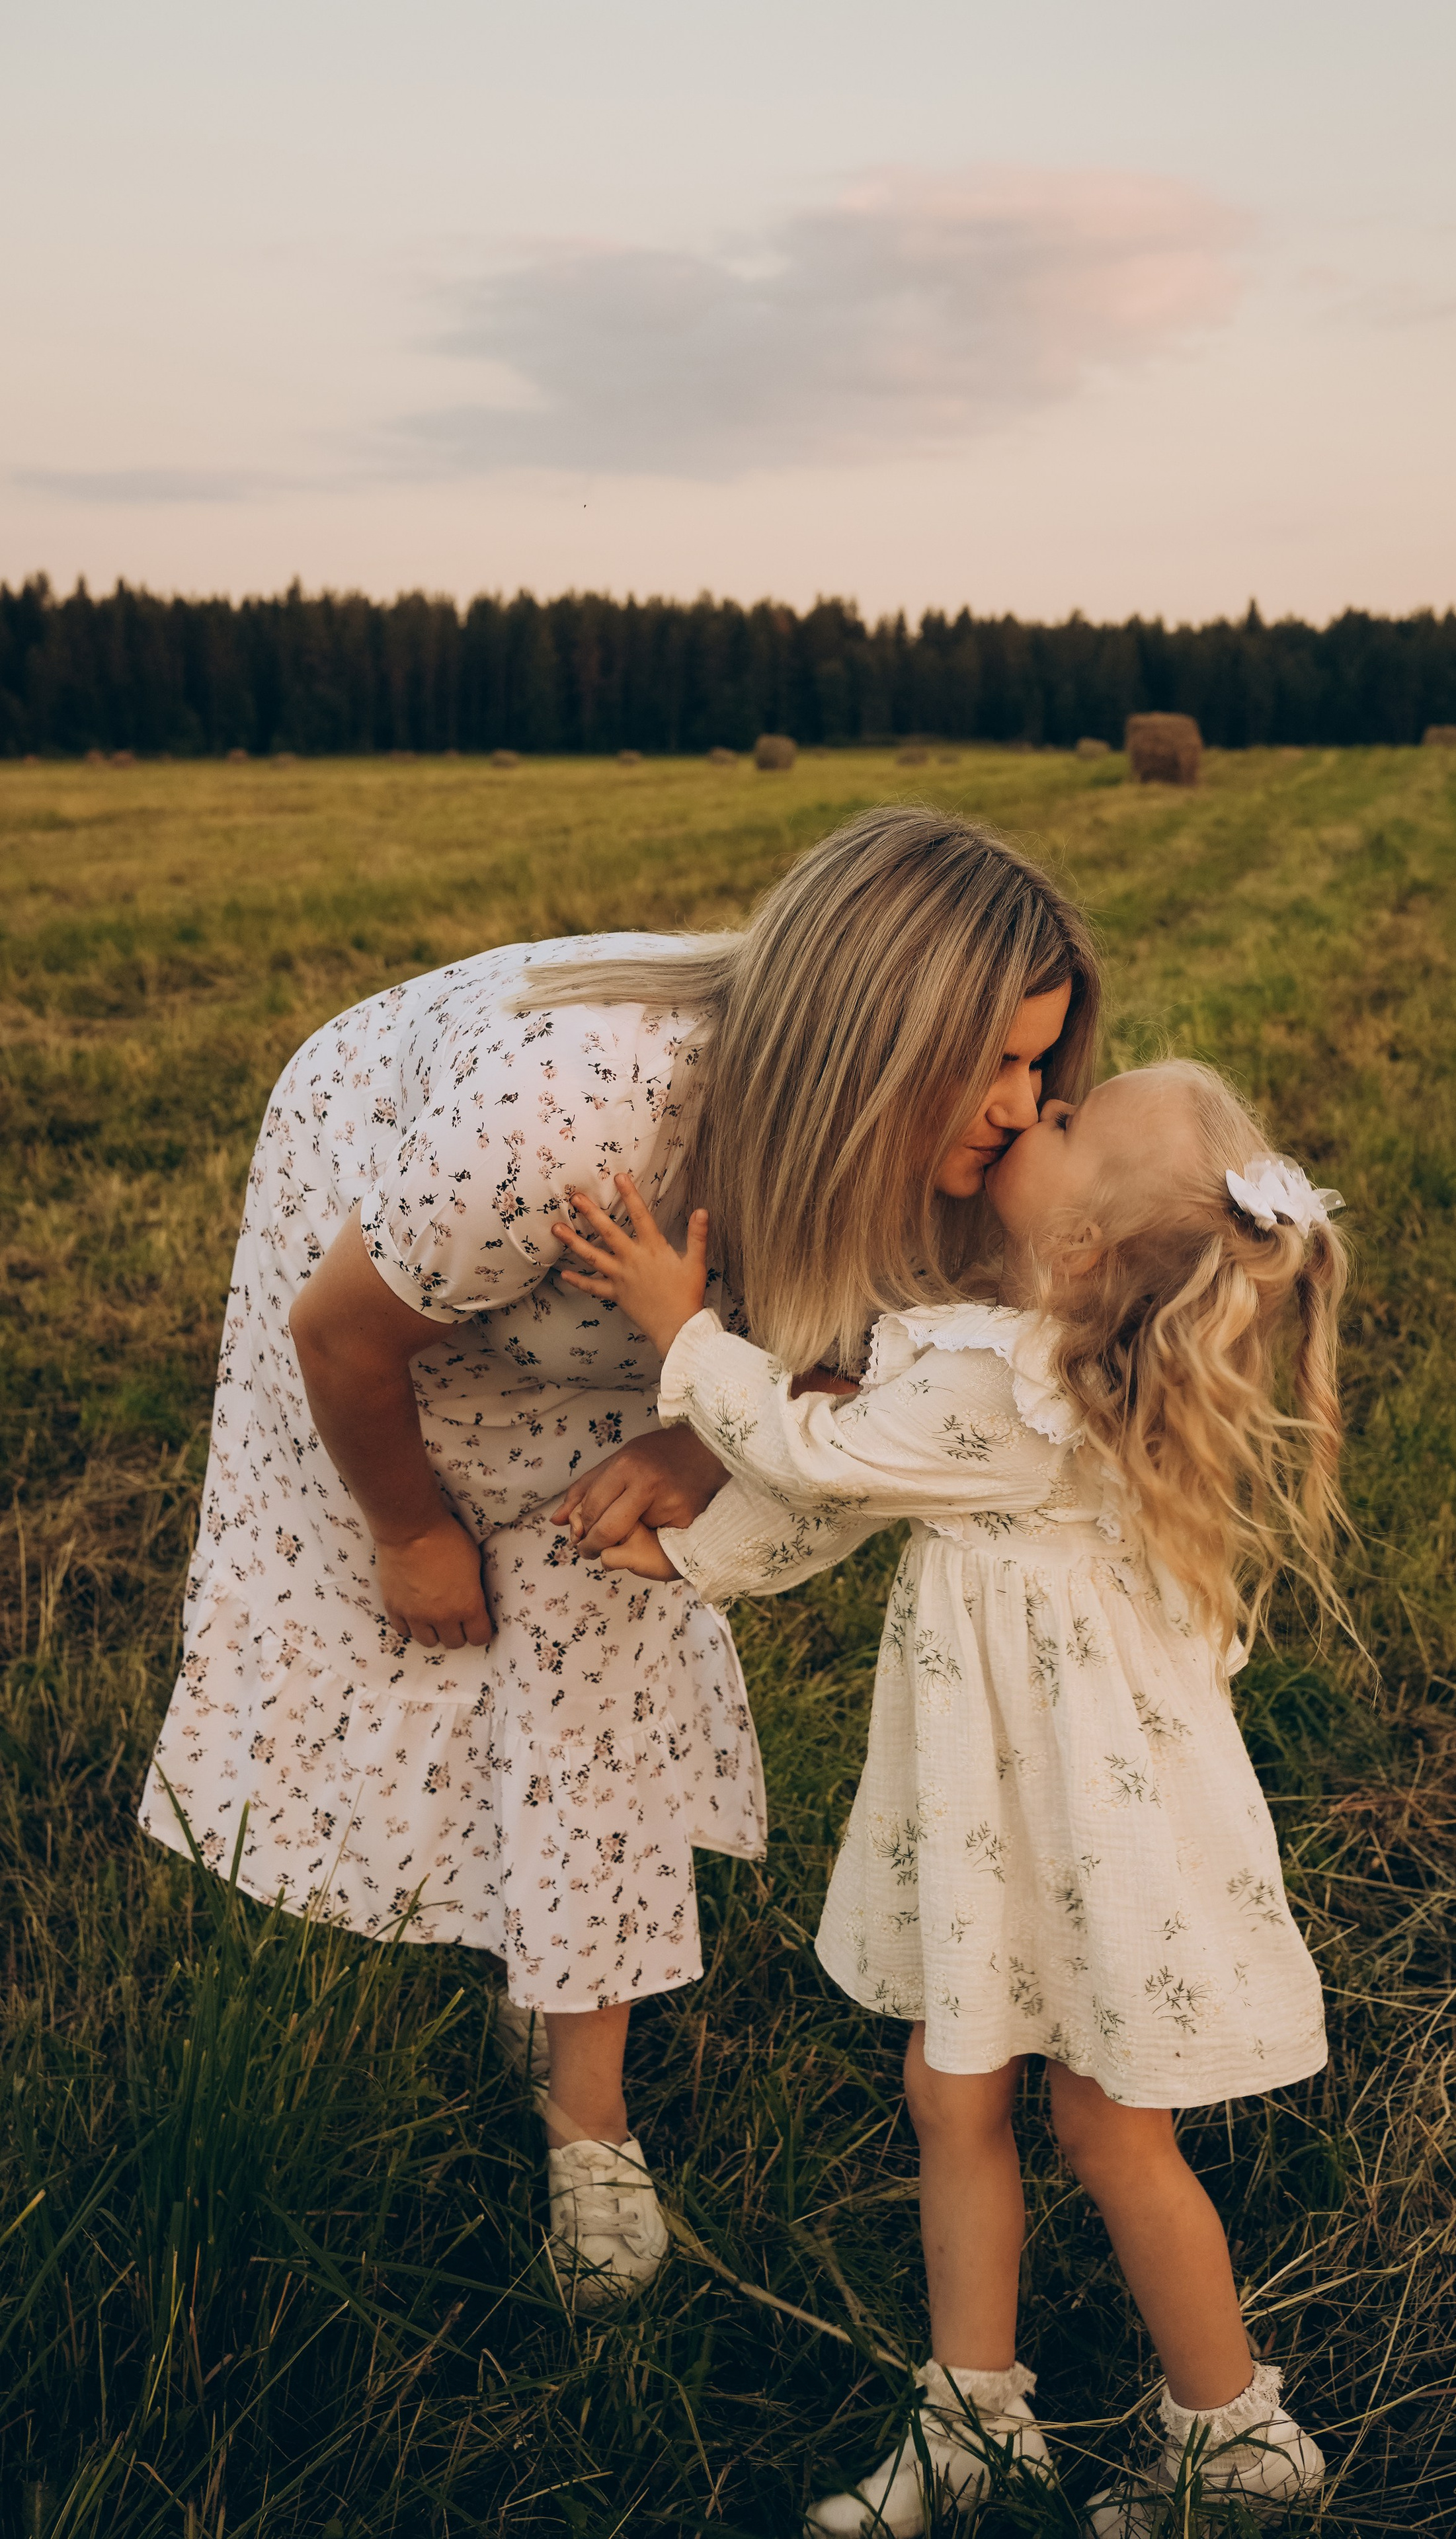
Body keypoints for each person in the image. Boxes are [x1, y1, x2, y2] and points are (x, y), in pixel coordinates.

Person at [137, 805, 1100, 2310]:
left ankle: (585, 2120)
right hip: (385, 1228)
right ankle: (483, 1889)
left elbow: (880, 1369)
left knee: (603, 1628)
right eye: (987, 1060)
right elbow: (343, 1336)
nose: (1020, 1105)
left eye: (1038, 1060)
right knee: (432, 1594)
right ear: (866, 1039)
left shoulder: (943, 1167)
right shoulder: (559, 1123)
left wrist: (696, 1440)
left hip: (630, 1300)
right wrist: (405, 1530)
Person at [553, 1057, 1346, 2530]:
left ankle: (1236, 2446)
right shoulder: (1048, 1357)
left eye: (1060, 1123)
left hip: (1074, 1828)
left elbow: (812, 1454)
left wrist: (684, 1332)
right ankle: (971, 2415)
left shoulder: (1006, 1382)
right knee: (951, 2086)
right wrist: (700, 1560)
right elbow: (847, 1498)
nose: (1031, 1110)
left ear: (1075, 1252)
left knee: (1106, 2125)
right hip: (1021, 1811)